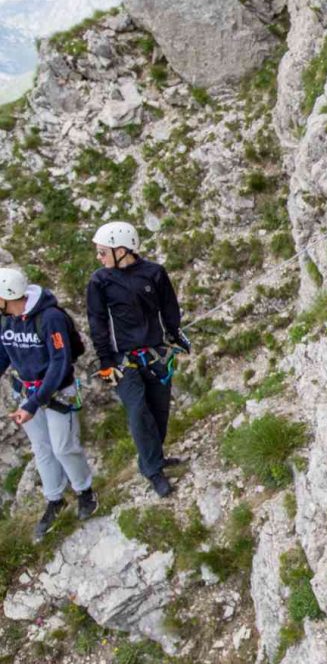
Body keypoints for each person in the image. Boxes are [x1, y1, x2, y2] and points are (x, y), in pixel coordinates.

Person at [86, 222, 191, 498]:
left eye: (102, 252)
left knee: (159, 411)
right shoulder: (100, 281)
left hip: (155, 353)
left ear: (121, 250)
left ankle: (154, 457)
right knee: (138, 413)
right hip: (123, 361)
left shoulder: (154, 273)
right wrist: (105, 361)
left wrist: (175, 334)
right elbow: (97, 322)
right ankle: (153, 471)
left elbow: (169, 307)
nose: (99, 258)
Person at [0, 268, 97, 540]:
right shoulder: (6, 322)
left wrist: (34, 403)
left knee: (64, 447)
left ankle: (85, 491)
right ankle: (54, 499)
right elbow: (2, 357)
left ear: (8, 296)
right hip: (28, 393)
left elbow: (60, 361)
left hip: (56, 392)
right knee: (42, 449)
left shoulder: (50, 318)